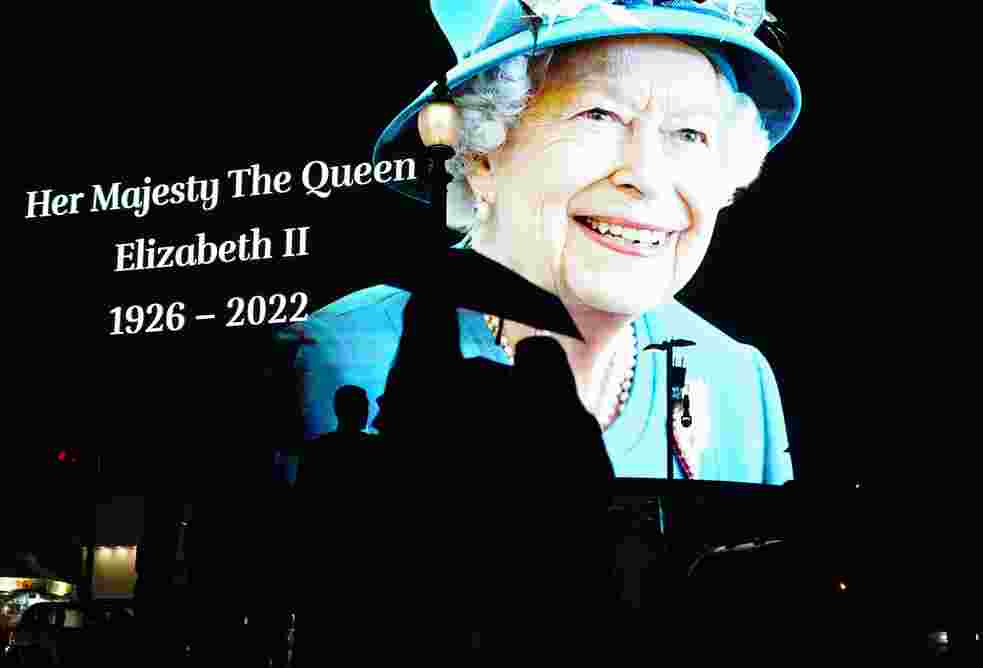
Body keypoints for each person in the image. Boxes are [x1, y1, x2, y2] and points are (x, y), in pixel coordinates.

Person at [275, 0, 800, 486]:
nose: (649, 176)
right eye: (600, 115)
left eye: (690, 134)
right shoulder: (322, 362)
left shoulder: (737, 383)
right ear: (480, 155)